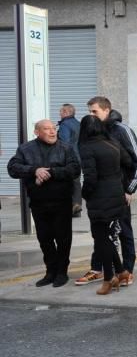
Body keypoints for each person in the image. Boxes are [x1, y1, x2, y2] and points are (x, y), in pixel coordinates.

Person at [76, 97, 137, 287]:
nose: (91, 115)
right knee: (101, 233)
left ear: (107, 110)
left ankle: (127, 270)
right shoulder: (93, 136)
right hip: (103, 194)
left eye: (94, 111)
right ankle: (98, 269)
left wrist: (130, 189)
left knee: (123, 231)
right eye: (89, 112)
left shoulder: (121, 130)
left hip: (119, 193)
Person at [7, 119, 81, 287]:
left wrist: (51, 173)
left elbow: (75, 169)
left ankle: (62, 272)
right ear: (37, 132)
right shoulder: (25, 149)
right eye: (47, 129)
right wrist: (34, 170)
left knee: (63, 239)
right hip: (38, 202)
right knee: (44, 239)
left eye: (53, 128)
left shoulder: (66, 148)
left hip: (61, 202)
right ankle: (50, 271)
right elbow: (12, 168)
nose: (52, 131)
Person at [56, 103, 82, 216]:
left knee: (66, 182)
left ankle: (69, 207)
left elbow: (64, 142)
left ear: (66, 112)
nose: (59, 113)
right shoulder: (78, 123)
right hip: (79, 157)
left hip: (68, 158)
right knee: (76, 182)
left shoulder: (65, 125)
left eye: (61, 111)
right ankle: (77, 205)